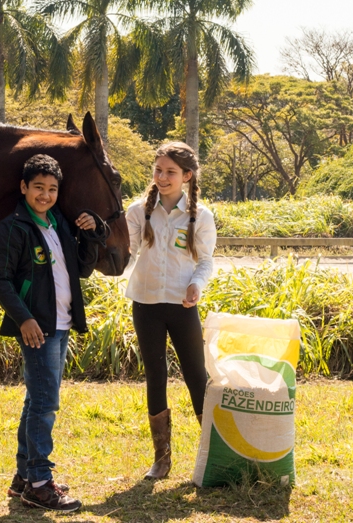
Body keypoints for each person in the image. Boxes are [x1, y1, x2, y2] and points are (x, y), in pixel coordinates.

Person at [0, 154, 105, 513]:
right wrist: (24, 319)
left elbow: (81, 270)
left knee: (36, 400)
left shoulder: (59, 224)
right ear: (23, 188)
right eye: (38, 187)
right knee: (45, 403)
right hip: (38, 329)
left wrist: (92, 231)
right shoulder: (13, 228)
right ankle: (40, 484)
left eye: (52, 188)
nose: (45, 194)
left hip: (62, 323)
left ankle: (24, 477)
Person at [124, 142, 217, 479]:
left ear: (187, 176)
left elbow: (205, 261)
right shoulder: (138, 211)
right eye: (158, 170)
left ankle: (214, 454)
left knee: (196, 375)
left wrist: (196, 285)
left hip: (182, 305)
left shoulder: (200, 216)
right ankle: (161, 459)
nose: (162, 177)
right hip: (146, 304)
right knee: (156, 376)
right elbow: (125, 253)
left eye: (171, 172)